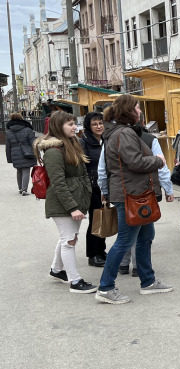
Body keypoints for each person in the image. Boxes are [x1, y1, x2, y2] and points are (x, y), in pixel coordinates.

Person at [95, 95, 173, 305]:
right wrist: (158, 160)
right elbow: (135, 162)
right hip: (131, 194)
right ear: (130, 111)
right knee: (124, 241)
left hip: (136, 193)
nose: (140, 112)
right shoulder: (123, 133)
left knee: (146, 235)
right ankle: (105, 287)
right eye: (138, 108)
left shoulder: (121, 133)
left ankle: (147, 281)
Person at [99, 124, 174, 277]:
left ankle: (143, 276)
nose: (139, 111)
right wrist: (167, 185)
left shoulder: (109, 137)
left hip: (130, 193)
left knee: (141, 236)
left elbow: (103, 168)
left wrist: (105, 191)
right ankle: (107, 284)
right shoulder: (141, 138)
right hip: (136, 194)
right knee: (127, 239)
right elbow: (144, 163)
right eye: (136, 109)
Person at [34, 110, 97, 294]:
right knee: (69, 241)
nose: (74, 127)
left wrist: (86, 192)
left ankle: (56, 269)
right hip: (63, 204)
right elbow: (58, 183)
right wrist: (72, 207)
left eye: (73, 123)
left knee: (68, 238)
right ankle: (75, 282)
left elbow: (83, 172)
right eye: (69, 124)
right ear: (58, 127)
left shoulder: (71, 144)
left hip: (75, 201)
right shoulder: (54, 151)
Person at [79, 112, 107, 268]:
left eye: (101, 123)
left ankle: (101, 250)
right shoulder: (84, 142)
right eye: (95, 124)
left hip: (105, 186)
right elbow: (83, 166)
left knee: (103, 219)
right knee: (95, 220)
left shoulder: (105, 139)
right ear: (88, 127)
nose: (99, 126)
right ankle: (93, 254)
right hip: (92, 187)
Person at [6, 112, 36, 195]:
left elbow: (8, 146)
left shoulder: (9, 131)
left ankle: (20, 188)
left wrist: (9, 158)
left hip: (14, 153)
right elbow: (33, 142)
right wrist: (37, 153)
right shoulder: (28, 130)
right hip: (27, 152)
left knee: (19, 170)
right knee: (26, 170)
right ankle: (24, 189)